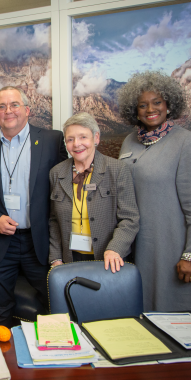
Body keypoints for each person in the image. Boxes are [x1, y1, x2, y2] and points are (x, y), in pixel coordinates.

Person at [0, 86, 67, 328]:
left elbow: (69, 183)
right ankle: (2, 363)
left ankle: (54, 362)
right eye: (1, 106)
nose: (8, 111)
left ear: (27, 110)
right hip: (0, 243)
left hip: (40, 242)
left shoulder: (52, 140)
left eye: (14, 105)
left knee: (56, 306)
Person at [118, 70, 191, 314]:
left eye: (157, 102)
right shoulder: (130, 142)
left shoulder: (188, 143)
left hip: (170, 250)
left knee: (174, 320)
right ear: (134, 110)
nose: (150, 109)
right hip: (135, 248)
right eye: (142, 104)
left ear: (169, 105)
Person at [48, 112, 139, 271]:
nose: (76, 144)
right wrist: (55, 257)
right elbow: (53, 220)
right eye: (70, 139)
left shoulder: (117, 170)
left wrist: (115, 249)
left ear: (96, 138)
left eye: (83, 137)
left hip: (108, 259)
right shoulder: (57, 173)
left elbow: (130, 219)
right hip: (70, 258)